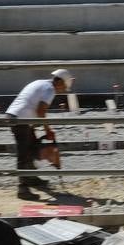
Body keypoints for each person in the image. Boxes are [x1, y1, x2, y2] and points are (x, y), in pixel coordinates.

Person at [5, 69, 73, 200]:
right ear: (59, 81)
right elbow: (41, 111)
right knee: (24, 153)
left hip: (18, 116)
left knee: (31, 147)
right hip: (21, 119)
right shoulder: (50, 89)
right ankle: (23, 189)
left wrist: (40, 128)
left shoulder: (41, 83)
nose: (62, 90)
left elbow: (32, 105)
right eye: (64, 87)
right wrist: (47, 130)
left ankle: (31, 178)